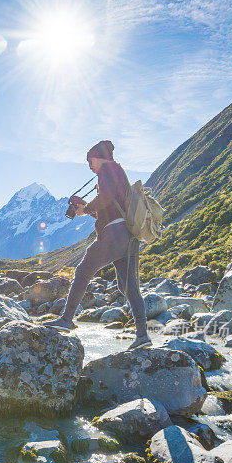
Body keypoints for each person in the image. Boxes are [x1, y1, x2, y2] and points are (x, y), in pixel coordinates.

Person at [44, 140, 152, 350]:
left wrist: (86, 209)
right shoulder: (116, 172)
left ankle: (66, 320)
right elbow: (108, 205)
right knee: (128, 286)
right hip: (128, 235)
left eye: (90, 161)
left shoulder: (108, 169)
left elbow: (106, 198)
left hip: (113, 233)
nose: (89, 166)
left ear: (99, 157)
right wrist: (86, 208)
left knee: (83, 271)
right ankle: (143, 336)